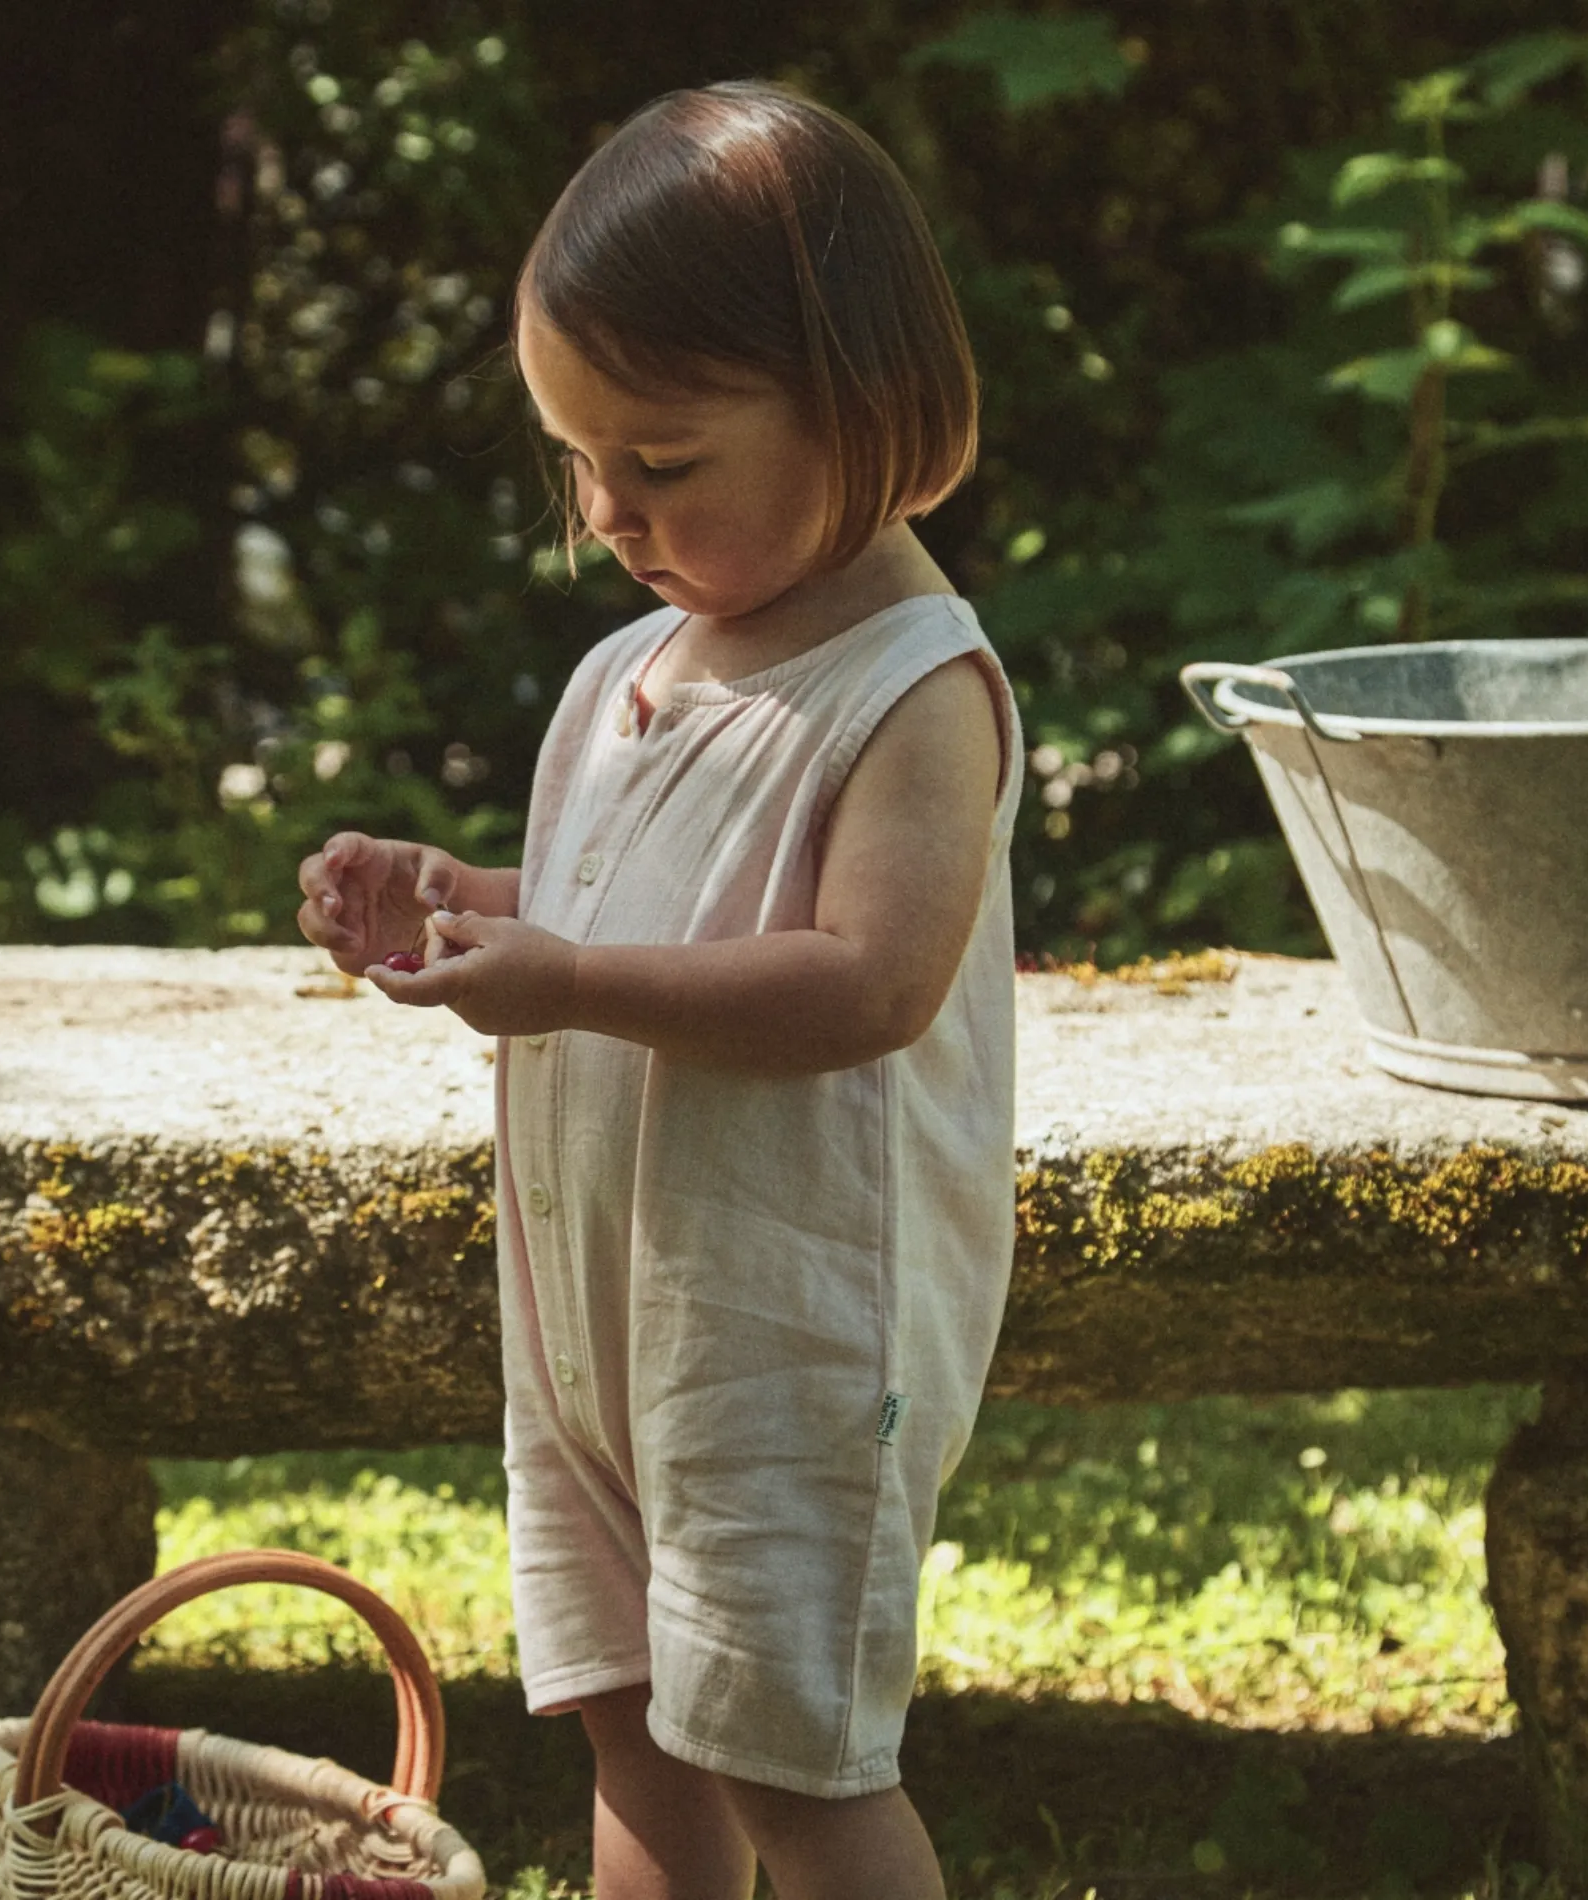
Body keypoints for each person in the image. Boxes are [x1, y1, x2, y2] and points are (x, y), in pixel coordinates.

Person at [296, 79, 1022, 1900]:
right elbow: (643, 900)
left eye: (667, 464)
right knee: (635, 1715)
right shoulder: (635, 668)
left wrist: (572, 982)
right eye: (578, 459)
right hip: (603, 1321)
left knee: (787, 1759)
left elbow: (866, 979)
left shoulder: (915, 690)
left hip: (787, 1334)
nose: (609, 510)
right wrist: (458, 898)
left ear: (860, 409)